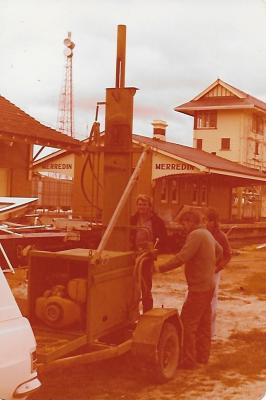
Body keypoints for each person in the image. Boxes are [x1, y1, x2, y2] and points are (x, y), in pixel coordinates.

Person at [155, 209, 223, 369]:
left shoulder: (196, 235)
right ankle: (202, 357)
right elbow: (220, 251)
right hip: (208, 285)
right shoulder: (207, 234)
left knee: (188, 323)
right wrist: (209, 266)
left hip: (198, 287)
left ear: (190, 221)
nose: (183, 227)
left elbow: (182, 257)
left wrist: (160, 268)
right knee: (204, 324)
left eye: (184, 223)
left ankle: (188, 361)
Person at [130, 194, 167, 312]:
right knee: (132, 286)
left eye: (144, 204)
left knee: (145, 285)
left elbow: (163, 239)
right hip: (133, 255)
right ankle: (132, 312)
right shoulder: (132, 219)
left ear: (150, 206)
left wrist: (154, 250)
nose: (142, 207)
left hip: (146, 257)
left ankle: (147, 312)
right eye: (139, 204)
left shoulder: (157, 222)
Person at [204, 208, 232, 337]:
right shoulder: (201, 234)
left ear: (214, 222)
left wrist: (218, 268)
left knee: (212, 300)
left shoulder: (221, 236)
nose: (206, 223)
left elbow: (227, 255)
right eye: (205, 220)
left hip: (214, 272)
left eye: (209, 220)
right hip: (201, 271)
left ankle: (211, 332)